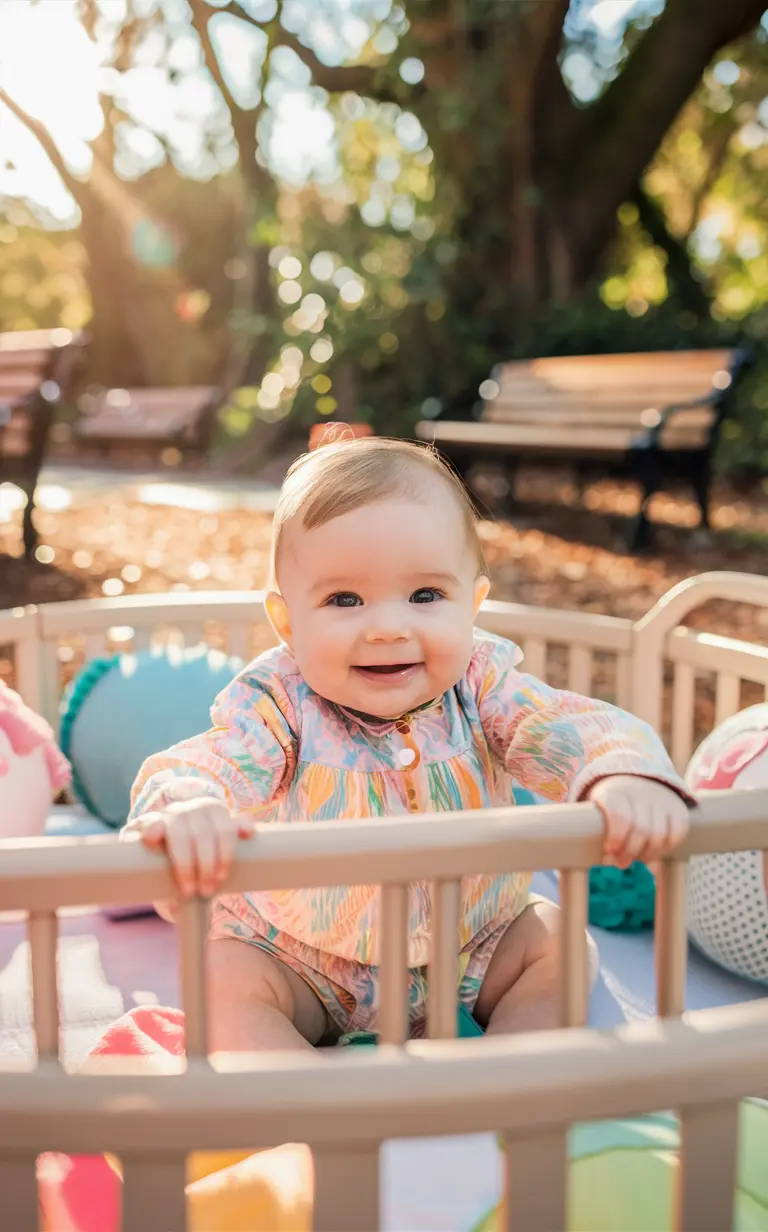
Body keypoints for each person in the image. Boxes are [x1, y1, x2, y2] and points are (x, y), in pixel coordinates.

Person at [125, 427, 691, 1051]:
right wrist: (187, 805)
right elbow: (206, 762)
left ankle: (506, 1084)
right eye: (345, 599)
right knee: (220, 974)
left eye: (425, 594)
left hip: (474, 947)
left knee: (562, 945)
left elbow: (568, 724)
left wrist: (620, 770)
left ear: (472, 605)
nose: (389, 627)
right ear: (287, 621)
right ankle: (310, 1117)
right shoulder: (280, 705)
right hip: (306, 963)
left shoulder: (483, 687)